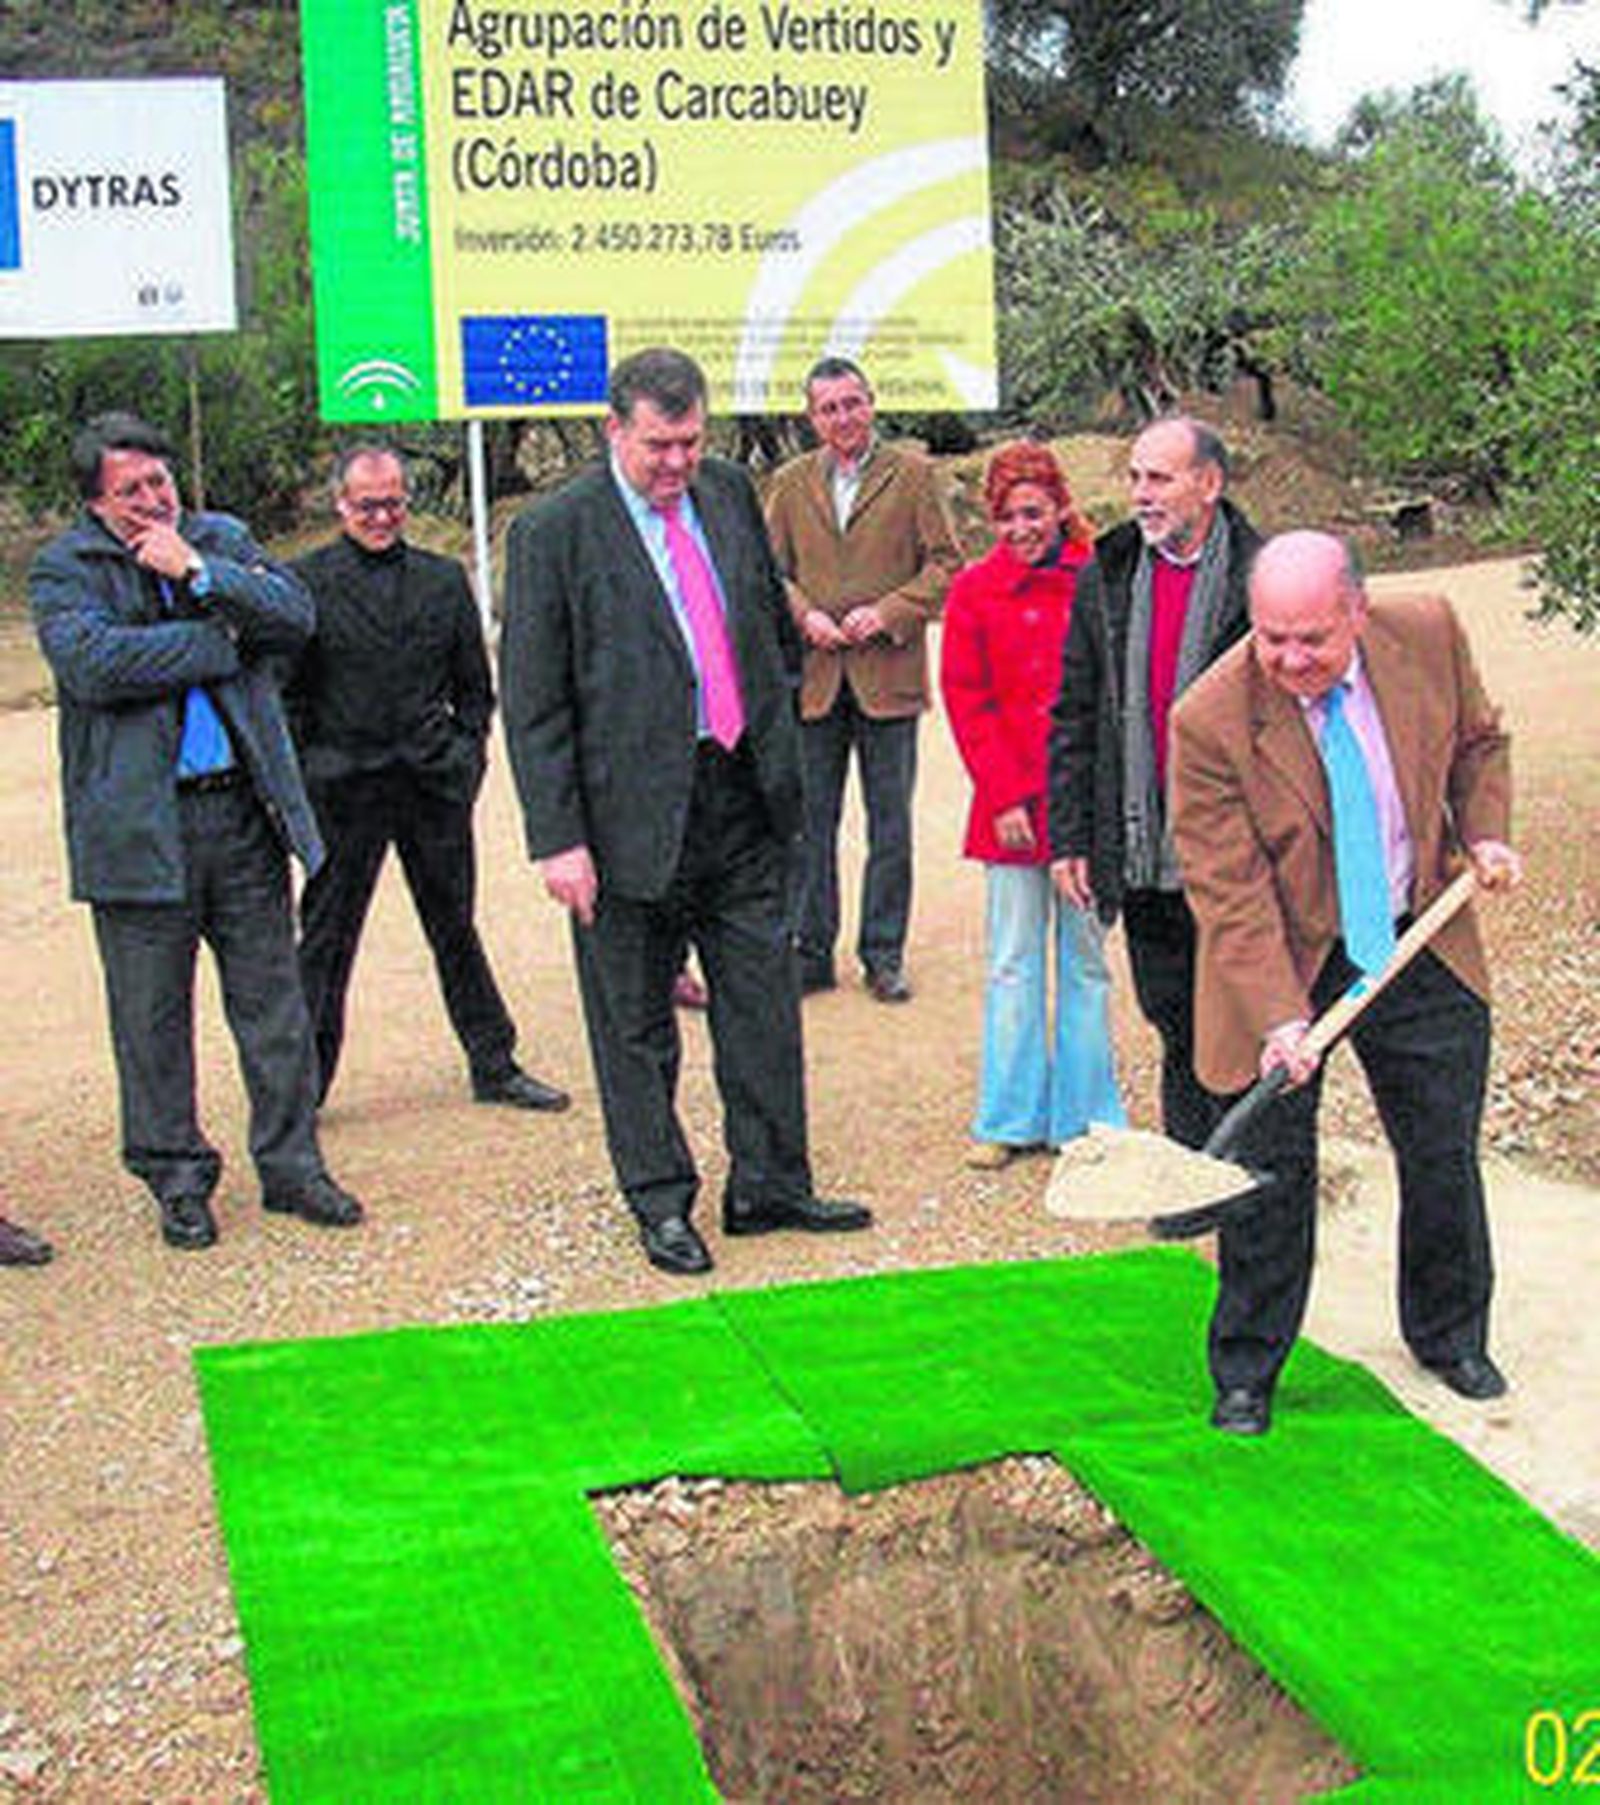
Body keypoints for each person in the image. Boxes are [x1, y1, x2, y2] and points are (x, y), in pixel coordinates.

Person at [500, 348, 871, 1276]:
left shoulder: (728, 492)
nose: (676, 463)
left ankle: (771, 1183)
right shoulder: (554, 533)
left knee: (762, 1005)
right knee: (634, 1025)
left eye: (690, 441)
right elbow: (534, 699)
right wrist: (559, 839)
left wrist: (775, 730)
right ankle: (661, 1200)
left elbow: (761, 625)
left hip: (740, 794)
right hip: (626, 824)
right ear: (614, 430)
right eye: (659, 445)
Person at [1170, 531, 1520, 1435]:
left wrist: (1484, 834)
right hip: (1284, 954)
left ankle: (1450, 1334)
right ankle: (1247, 1366)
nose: (1288, 658)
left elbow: (1481, 742)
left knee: (1441, 1146)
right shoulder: (1208, 718)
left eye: (1312, 639)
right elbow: (1228, 891)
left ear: (1358, 612)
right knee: (1268, 1171)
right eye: (1270, 636)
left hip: (1416, 931)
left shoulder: (1429, 632)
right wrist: (1282, 1018)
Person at [29, 413, 362, 1250]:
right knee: (151, 1018)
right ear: (96, 501)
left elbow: (295, 614)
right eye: (131, 490)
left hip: (241, 813)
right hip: (139, 825)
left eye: (160, 482)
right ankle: (177, 1177)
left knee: (274, 1002)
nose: (152, 500)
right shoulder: (64, 567)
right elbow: (94, 665)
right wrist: (217, 642)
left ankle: (292, 1165)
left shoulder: (219, 536)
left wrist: (202, 571)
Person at [287, 446, 569, 1113]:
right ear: (340, 505)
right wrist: (312, 768)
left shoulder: (444, 580)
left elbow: (475, 688)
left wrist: (463, 760)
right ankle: (299, 1087)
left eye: (393, 504)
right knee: (327, 938)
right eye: (367, 506)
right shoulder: (305, 582)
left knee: (455, 926)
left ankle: (493, 1061)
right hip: (342, 789)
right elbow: (287, 695)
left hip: (430, 784)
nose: (382, 517)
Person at [1048, 416, 1259, 1148]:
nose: (1140, 494)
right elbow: (1075, 711)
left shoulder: (1258, 574)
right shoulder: (1106, 573)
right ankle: (1190, 1168)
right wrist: (1071, 835)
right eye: (1135, 476)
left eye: (1159, 478)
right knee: (1172, 1014)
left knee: (1241, 1017)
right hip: (1144, 852)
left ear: (1209, 483)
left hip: (1238, 850)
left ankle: (1246, 1169)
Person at [941, 444, 1126, 1169]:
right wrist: (1003, 792)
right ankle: (1009, 1114)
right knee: (1013, 960)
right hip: (1010, 801)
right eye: (1007, 516)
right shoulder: (974, 592)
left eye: (1033, 513)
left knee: (1085, 960)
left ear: (1059, 508)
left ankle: (1084, 1116)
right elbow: (967, 698)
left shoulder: (1097, 579)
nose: (1021, 528)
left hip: (1083, 798)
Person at [764, 356, 960, 1001]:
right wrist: (806, 616)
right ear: (811, 418)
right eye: (829, 408)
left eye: (852, 403)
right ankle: (810, 951)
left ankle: (883, 955)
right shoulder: (791, 484)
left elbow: (944, 565)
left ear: (871, 404)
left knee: (890, 826)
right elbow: (773, 573)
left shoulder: (913, 476)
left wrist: (890, 612)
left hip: (888, 677)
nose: (843, 418)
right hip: (817, 680)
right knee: (809, 826)